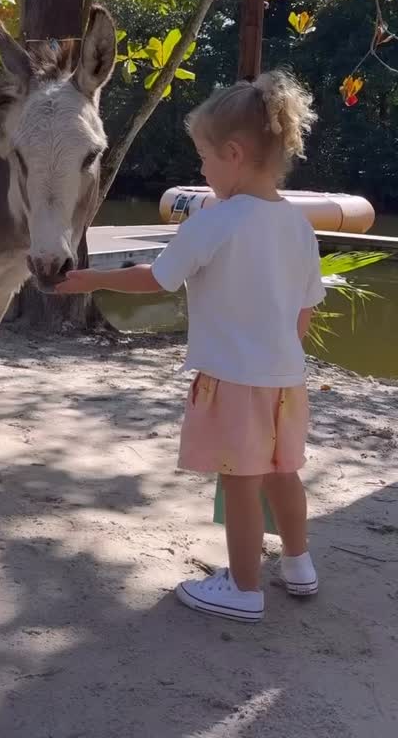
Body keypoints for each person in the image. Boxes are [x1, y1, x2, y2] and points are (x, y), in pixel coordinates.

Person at [54, 71, 325, 623]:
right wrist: (280, 357)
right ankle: (299, 566)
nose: (200, 170)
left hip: (233, 379)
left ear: (234, 152)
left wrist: (93, 279)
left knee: (242, 483)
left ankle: (244, 589)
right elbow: (307, 305)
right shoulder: (298, 226)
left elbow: (158, 278)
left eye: (204, 157)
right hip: (287, 380)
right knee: (283, 472)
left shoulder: (214, 220)